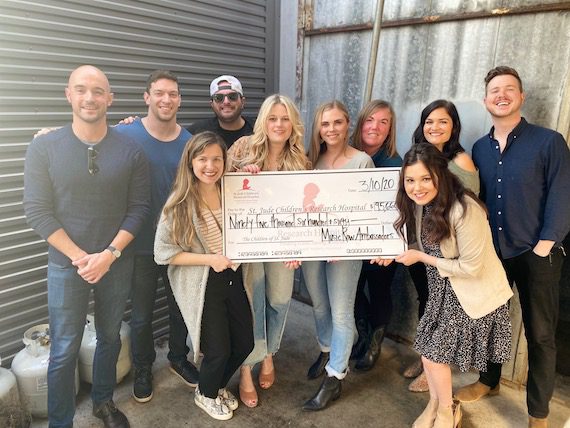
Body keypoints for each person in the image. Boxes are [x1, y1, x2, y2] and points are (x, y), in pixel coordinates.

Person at [23, 65, 150, 428]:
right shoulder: (45, 147)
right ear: (69, 95)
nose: (89, 98)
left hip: (116, 262)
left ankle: (103, 402)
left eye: (98, 91)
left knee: (110, 337)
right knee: (64, 347)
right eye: (81, 89)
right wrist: (81, 258)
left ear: (110, 98)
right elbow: (37, 211)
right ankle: (60, 421)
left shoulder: (131, 150)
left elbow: (139, 208)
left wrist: (109, 255)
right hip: (67, 265)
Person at [456, 66, 570, 428]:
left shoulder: (549, 142)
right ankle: (488, 381)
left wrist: (545, 244)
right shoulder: (480, 148)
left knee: (540, 335)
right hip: (495, 254)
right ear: (486, 100)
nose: (501, 95)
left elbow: (563, 193)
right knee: (492, 322)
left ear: (521, 96)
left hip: (538, 254)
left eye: (509, 89)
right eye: (495, 90)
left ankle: (538, 413)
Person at [382, 143, 512, 428]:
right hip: (442, 291)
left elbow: (471, 267)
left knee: (433, 357)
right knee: (428, 354)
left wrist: (420, 257)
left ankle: (446, 412)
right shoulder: (421, 205)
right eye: (410, 180)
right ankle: (436, 404)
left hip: (471, 294)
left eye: (425, 178)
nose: (416, 187)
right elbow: (419, 243)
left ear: (440, 175)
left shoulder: (465, 209)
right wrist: (391, 253)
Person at [154, 131, 254, 420]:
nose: (210, 166)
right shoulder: (179, 203)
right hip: (204, 283)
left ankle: (216, 385)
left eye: (216, 159)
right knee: (218, 350)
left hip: (233, 278)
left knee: (244, 343)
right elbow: (163, 253)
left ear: (225, 161)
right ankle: (206, 394)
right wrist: (210, 259)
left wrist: (251, 176)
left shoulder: (231, 191)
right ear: (191, 162)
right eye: (202, 159)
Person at [112, 70, 199, 403]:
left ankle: (178, 358)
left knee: (180, 309)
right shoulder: (125, 133)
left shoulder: (189, 142)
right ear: (147, 97)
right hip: (139, 245)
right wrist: (48, 134)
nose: (166, 99)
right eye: (159, 93)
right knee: (141, 315)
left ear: (179, 99)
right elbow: (87, 140)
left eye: (173, 94)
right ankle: (143, 367)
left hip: (178, 244)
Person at [227, 94, 309, 408]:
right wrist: (239, 175)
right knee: (253, 303)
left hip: (282, 245)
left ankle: (269, 353)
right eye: (272, 118)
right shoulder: (242, 147)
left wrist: (299, 245)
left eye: (285, 118)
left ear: (293, 124)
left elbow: (305, 209)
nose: (278, 124)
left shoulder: (300, 158)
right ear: (263, 121)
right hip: (248, 243)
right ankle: (247, 368)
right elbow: (219, 186)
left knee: (279, 300)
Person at [301, 100, 374, 411]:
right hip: (311, 245)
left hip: (344, 250)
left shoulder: (362, 162)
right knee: (319, 304)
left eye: (337, 122)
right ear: (318, 128)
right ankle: (327, 348)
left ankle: (335, 376)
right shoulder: (309, 160)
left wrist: (341, 243)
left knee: (341, 311)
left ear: (347, 125)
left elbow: (369, 210)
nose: (331, 129)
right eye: (325, 123)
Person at [405, 99, 480, 392]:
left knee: (443, 309)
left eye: (442, 121)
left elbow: (470, 206)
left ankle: (436, 364)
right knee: (426, 302)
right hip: (418, 248)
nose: (434, 127)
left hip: (446, 253)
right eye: (429, 121)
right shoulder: (417, 156)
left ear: (453, 126)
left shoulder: (460, 161)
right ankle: (425, 356)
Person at [349, 100, 402, 372]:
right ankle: (362, 334)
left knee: (379, 290)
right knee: (353, 290)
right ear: (361, 124)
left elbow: (402, 208)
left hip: (381, 243)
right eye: (370, 120)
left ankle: (373, 344)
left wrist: (391, 245)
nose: (375, 127)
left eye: (383, 122)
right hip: (348, 240)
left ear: (390, 129)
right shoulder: (346, 154)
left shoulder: (395, 164)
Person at [187, 75, 255, 148]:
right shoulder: (197, 133)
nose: (226, 102)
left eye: (232, 96)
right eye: (219, 97)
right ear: (212, 104)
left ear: (242, 101)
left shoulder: (258, 131)